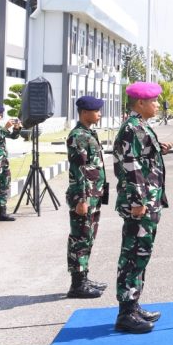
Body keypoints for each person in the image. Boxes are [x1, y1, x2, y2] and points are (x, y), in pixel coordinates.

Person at [112, 81, 171, 333]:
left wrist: (159, 150)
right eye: (154, 101)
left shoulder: (141, 127)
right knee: (134, 255)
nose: (157, 105)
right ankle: (126, 313)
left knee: (141, 253)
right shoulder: (134, 128)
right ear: (140, 103)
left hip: (148, 200)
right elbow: (131, 166)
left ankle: (133, 304)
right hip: (141, 203)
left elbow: (141, 158)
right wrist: (138, 203)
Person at [65, 95, 108, 299]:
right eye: (96, 110)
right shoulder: (78, 136)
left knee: (88, 236)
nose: (99, 113)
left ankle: (84, 277)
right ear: (84, 113)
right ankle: (77, 284)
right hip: (83, 195)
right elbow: (80, 169)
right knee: (80, 237)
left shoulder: (88, 133)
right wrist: (82, 199)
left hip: (93, 193)